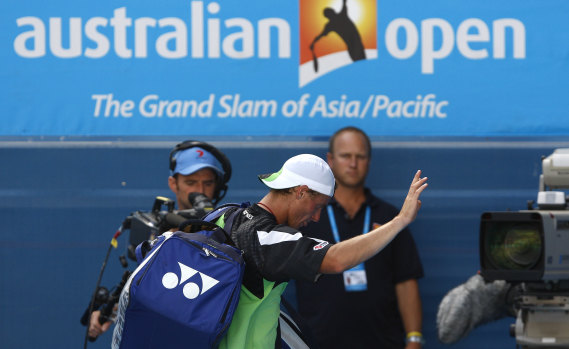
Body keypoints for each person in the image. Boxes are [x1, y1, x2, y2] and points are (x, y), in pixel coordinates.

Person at [212, 152, 428, 348]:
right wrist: (400, 221)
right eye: (317, 207)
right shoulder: (269, 239)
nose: (316, 218)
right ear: (301, 192)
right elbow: (336, 260)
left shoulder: (224, 215)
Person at [295, 127, 425, 349]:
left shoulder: (390, 217)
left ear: (369, 161)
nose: (353, 163)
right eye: (346, 156)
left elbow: (405, 281)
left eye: (360, 156)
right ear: (331, 160)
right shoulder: (309, 217)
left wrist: (414, 338)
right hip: (317, 343)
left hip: (383, 342)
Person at [87, 140, 231, 339]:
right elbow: (146, 287)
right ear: (174, 184)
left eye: (208, 183)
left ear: (218, 186)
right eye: (191, 182)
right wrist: (109, 315)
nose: (200, 190)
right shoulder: (159, 230)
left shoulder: (230, 229)